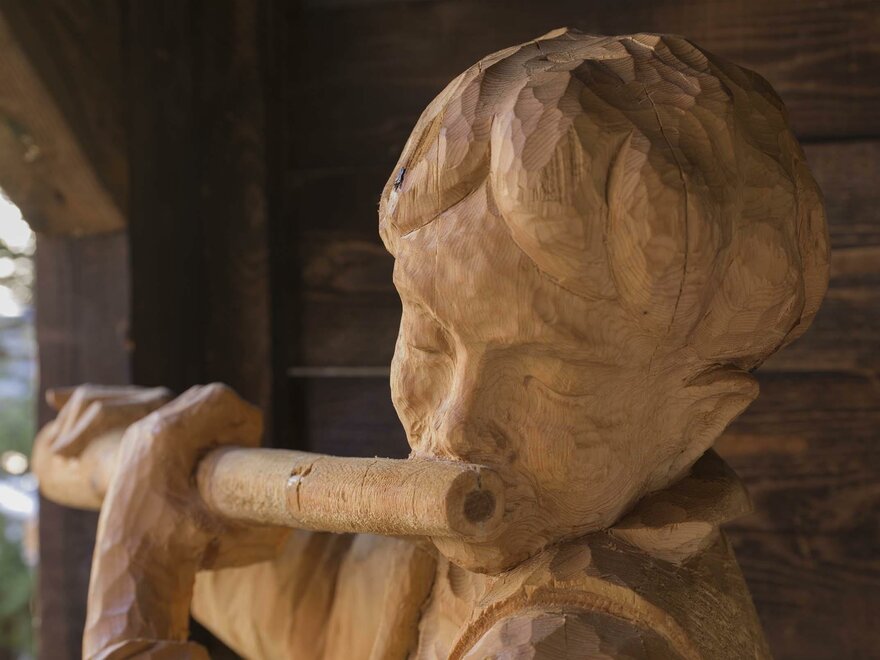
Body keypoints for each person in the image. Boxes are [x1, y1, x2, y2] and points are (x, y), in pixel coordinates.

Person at [36, 29, 827, 659]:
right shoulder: (506, 546)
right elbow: (327, 611)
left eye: (548, 379)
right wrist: (156, 464)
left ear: (696, 423)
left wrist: (132, 578)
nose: (455, 425)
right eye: (430, 336)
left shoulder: (561, 641)